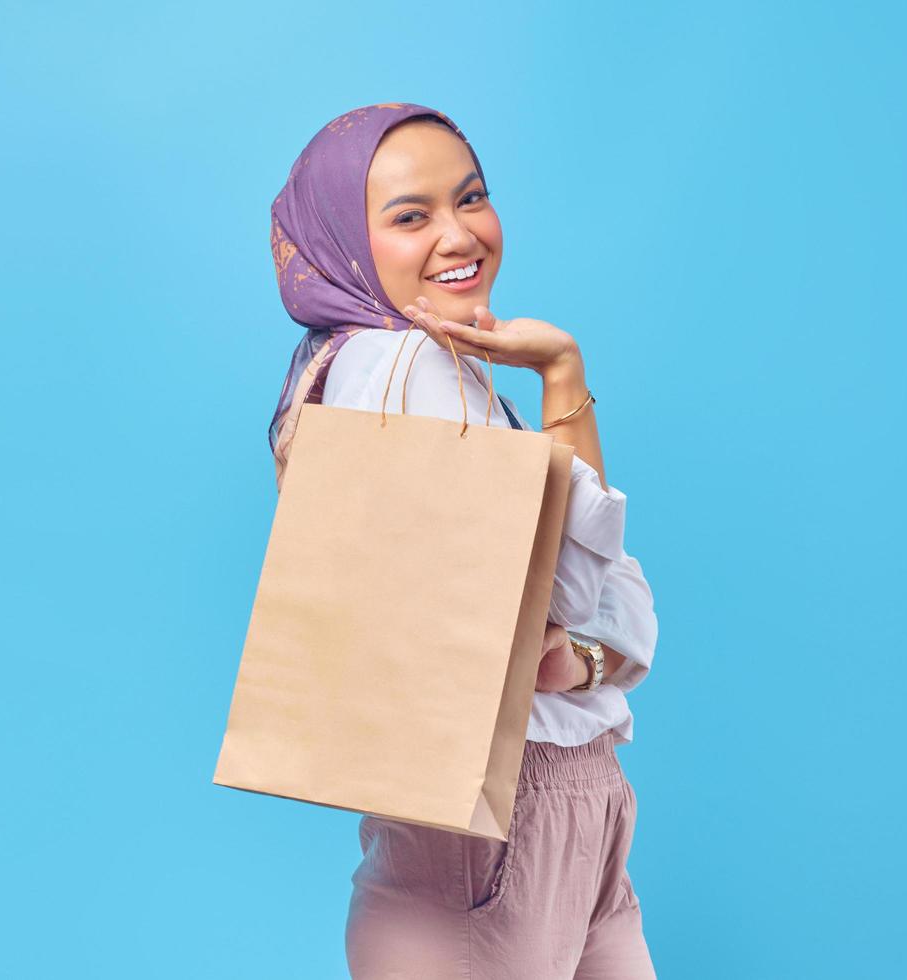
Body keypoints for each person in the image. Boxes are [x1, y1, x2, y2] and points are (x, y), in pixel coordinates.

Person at [267, 103, 659, 978]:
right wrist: (563, 372)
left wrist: (587, 653)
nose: (459, 235)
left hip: (566, 815)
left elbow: (617, 613)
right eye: (411, 217)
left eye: (471, 198)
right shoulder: (398, 367)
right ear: (347, 243)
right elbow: (582, 595)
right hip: (494, 837)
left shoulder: (441, 376)